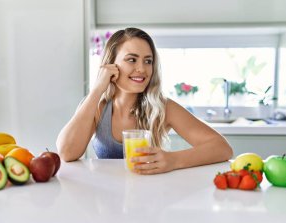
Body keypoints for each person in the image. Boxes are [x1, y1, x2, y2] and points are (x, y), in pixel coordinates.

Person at [57, 27, 233, 175]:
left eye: (148, 61)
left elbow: (222, 148)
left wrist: (173, 160)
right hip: (105, 200)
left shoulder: (163, 108)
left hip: (148, 198)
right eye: (131, 59)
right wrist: (97, 89)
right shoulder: (96, 106)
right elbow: (66, 152)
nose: (142, 69)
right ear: (111, 64)